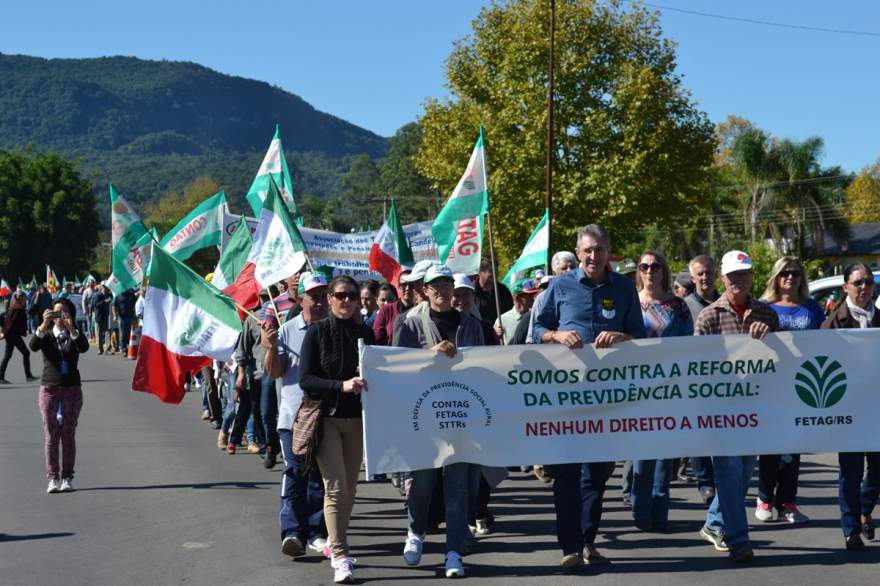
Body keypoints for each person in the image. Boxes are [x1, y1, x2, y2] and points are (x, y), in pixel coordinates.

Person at [533, 224, 646, 570]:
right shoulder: (560, 287)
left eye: (599, 249)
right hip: (567, 398)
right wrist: (556, 335)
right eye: (587, 250)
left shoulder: (625, 288)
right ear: (578, 253)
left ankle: (587, 540)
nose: (593, 256)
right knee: (567, 474)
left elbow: (641, 337)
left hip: (608, 400)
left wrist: (622, 338)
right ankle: (569, 546)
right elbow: (535, 330)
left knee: (596, 476)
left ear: (608, 251)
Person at [397, 265, 488, 579]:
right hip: (424, 419)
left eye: (447, 284)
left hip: (462, 417)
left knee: (458, 487)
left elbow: (487, 364)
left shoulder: (471, 323)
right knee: (422, 482)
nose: (442, 291)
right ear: (424, 290)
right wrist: (428, 356)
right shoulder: (410, 324)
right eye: (435, 285)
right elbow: (397, 367)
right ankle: (415, 532)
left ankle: (454, 552)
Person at [695, 249, 779, 563]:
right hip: (721, 411)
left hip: (756, 410)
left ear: (752, 276)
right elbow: (696, 367)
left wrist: (770, 337)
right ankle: (739, 539)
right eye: (733, 275)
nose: (738, 280)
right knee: (729, 472)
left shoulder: (767, 314)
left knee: (743, 473)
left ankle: (714, 522)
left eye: (744, 273)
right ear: (723, 278)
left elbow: (784, 360)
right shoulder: (709, 316)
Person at [299, 275, 374, 584]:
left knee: (350, 490)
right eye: (341, 295)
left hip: (357, 420)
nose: (346, 301)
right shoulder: (316, 333)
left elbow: (388, 368)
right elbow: (306, 379)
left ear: (359, 300)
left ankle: (333, 540)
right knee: (336, 487)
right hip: (326, 418)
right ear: (329, 298)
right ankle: (341, 556)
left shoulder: (365, 333)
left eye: (352, 296)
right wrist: (340, 385)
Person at [264, 272, 330, 559]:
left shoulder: (334, 328)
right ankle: (292, 532)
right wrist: (270, 348)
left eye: (323, 296)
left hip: (327, 415)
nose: (319, 302)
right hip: (294, 419)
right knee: (295, 474)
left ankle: (316, 532)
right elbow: (275, 372)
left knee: (318, 476)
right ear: (301, 298)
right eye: (313, 296)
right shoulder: (287, 330)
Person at [630, 250, 693, 531]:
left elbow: (688, 344)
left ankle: (660, 508)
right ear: (639, 270)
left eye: (655, 266)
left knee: (665, 455)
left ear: (664, 270)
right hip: (636, 389)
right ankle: (640, 509)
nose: (650, 270)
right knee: (641, 453)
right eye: (644, 266)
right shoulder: (629, 302)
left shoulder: (678, 306)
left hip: (670, 389)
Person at [756, 256, 821, 525]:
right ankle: (764, 499)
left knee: (793, 447)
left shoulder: (813, 308)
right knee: (770, 445)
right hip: (770, 385)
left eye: (795, 273)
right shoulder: (763, 307)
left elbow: (826, 342)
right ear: (776, 277)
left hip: (802, 385)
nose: (790, 277)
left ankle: (787, 502)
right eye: (784, 273)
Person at [821, 262, 880, 551]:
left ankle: (864, 507)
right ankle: (851, 529)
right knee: (851, 470)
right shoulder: (833, 322)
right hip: (848, 408)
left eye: (868, 282)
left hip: (877, 406)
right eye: (857, 282)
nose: (863, 287)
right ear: (846, 287)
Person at [29, 297, 89, 493]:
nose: (59, 318)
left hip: (71, 389)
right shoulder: (46, 335)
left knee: (68, 435)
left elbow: (84, 347)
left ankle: (67, 478)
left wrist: (72, 328)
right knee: (51, 436)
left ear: (70, 315)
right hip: (49, 388)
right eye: (56, 313)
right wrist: (43, 324)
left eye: (63, 313)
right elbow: (33, 345)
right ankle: (53, 478)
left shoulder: (74, 335)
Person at [685, 254, 719, 503]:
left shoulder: (727, 301)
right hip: (692, 378)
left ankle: (721, 478)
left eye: (708, 272)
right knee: (697, 432)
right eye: (700, 273)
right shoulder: (682, 306)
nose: (705, 277)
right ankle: (705, 482)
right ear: (692, 277)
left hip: (724, 377)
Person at [226, 297, 268, 457]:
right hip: (254, 374)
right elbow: (242, 351)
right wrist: (241, 374)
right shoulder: (252, 319)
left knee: (266, 412)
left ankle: (263, 442)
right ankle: (232, 438)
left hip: (277, 374)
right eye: (265, 296)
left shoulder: (283, 314)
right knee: (245, 409)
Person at [0, 291, 37, 383]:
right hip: (13, 336)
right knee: (25, 353)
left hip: (12, 335)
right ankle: (28, 376)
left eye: (24, 298)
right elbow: (2, 318)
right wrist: (2, 329)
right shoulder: (14, 309)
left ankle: (1, 377)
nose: (25, 300)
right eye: (23, 298)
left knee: (8, 355)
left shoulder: (19, 309)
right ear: (18, 299)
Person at [494, 278, 538, 345]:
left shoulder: (535, 317)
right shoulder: (502, 320)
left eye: (533, 295)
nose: (533, 299)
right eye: (529, 296)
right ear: (517, 298)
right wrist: (495, 336)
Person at [473, 258, 513, 326]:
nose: (495, 277)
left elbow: (510, 312)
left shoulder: (503, 290)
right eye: (491, 274)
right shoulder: (471, 292)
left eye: (496, 273)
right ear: (480, 273)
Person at [113, 288, 137, 358]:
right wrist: (115, 315)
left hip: (130, 316)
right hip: (122, 317)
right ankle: (124, 349)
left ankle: (129, 348)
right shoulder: (118, 295)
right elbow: (114, 305)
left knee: (130, 333)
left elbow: (136, 302)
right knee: (123, 334)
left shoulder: (131, 295)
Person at [90, 284, 112, 355]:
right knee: (99, 333)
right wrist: (104, 301)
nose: (105, 289)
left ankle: (108, 348)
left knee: (108, 332)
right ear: (100, 288)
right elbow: (96, 305)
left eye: (106, 288)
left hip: (106, 316)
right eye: (103, 288)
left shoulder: (109, 295)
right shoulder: (97, 295)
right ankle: (100, 349)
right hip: (99, 317)